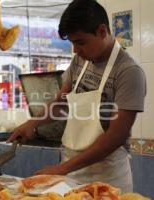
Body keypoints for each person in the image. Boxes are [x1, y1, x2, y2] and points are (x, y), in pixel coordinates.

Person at [8, 0, 146, 193]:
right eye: (72, 43)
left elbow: (116, 136)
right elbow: (60, 103)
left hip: (108, 177)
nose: (75, 50)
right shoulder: (80, 60)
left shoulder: (128, 71)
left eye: (80, 42)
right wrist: (32, 124)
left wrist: (62, 169)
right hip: (72, 173)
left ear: (102, 31)